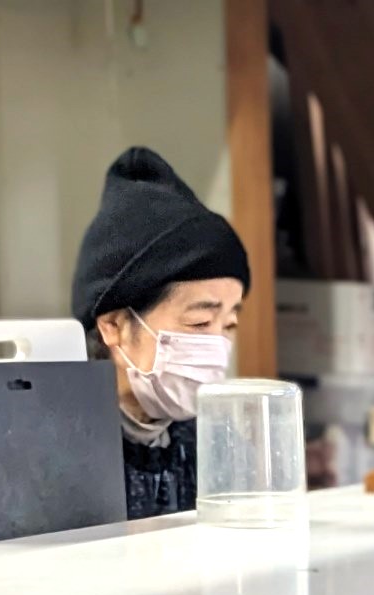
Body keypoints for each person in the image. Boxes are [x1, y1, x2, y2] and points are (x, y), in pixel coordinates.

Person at [72, 146, 249, 520]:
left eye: (229, 324)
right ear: (114, 325)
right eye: (200, 323)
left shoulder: (213, 440)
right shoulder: (58, 446)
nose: (217, 345)